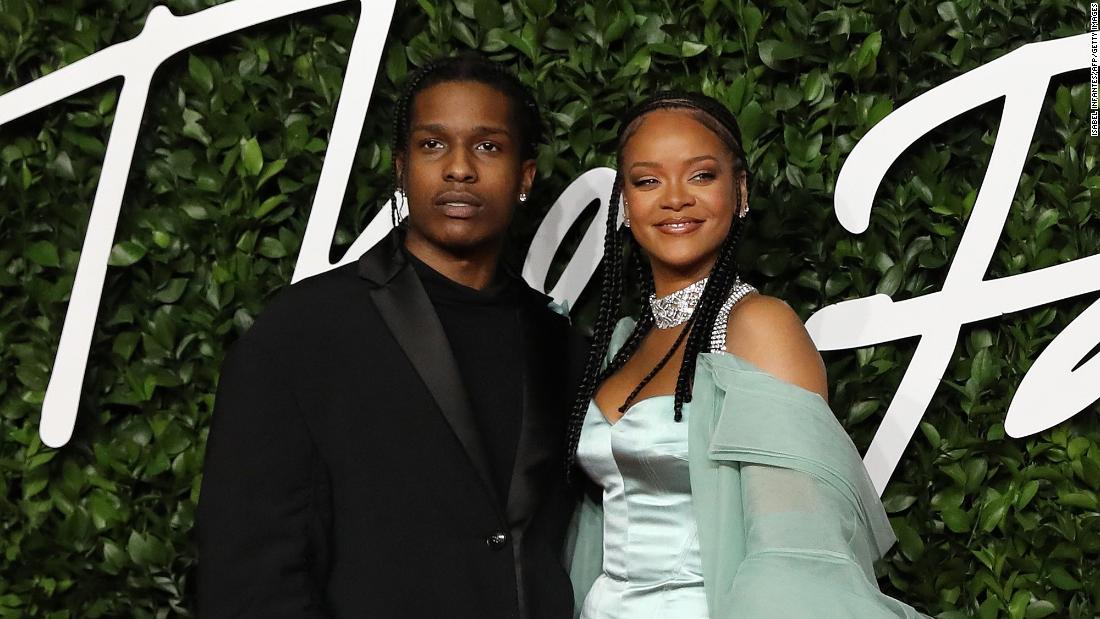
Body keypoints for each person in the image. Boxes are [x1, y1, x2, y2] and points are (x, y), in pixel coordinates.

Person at [197, 54, 585, 618]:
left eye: (487, 146)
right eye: (433, 145)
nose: (459, 168)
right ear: (401, 168)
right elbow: (248, 573)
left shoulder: (560, 344)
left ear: (525, 176)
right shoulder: (303, 333)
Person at [563, 92, 926, 618]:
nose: (674, 199)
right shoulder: (618, 342)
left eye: (701, 176)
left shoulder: (756, 327)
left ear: (741, 191)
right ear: (624, 203)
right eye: (647, 181)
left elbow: (794, 554)